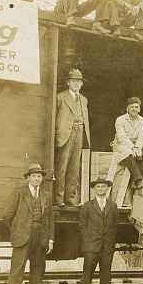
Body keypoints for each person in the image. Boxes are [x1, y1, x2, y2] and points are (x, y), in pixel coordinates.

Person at [3, 164, 55, 284]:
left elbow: (50, 219)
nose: (37, 179)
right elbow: (7, 215)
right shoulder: (20, 193)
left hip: (40, 237)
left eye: (39, 176)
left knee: (38, 270)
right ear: (28, 178)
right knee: (17, 270)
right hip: (22, 237)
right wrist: (16, 231)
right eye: (34, 176)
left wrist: (50, 239)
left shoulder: (46, 195)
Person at [76, 176, 119, 284]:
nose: (101, 189)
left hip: (106, 246)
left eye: (103, 187)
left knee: (106, 273)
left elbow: (115, 225)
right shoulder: (88, 205)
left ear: (107, 189)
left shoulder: (113, 205)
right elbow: (82, 225)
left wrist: (110, 241)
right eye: (98, 187)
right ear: (94, 189)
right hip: (91, 246)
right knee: (87, 272)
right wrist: (87, 240)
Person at [54, 69, 91, 206]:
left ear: (81, 84)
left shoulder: (84, 100)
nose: (76, 83)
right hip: (65, 135)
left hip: (79, 133)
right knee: (62, 167)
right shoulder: (60, 97)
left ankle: (71, 199)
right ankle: (59, 199)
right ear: (68, 82)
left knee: (74, 168)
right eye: (74, 81)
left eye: (79, 81)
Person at [109, 97, 143, 192]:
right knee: (128, 153)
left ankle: (138, 181)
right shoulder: (120, 119)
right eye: (131, 107)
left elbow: (142, 136)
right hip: (121, 144)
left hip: (137, 145)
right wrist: (133, 147)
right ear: (127, 108)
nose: (134, 109)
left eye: (136, 107)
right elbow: (121, 137)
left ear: (139, 109)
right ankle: (138, 179)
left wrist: (138, 147)